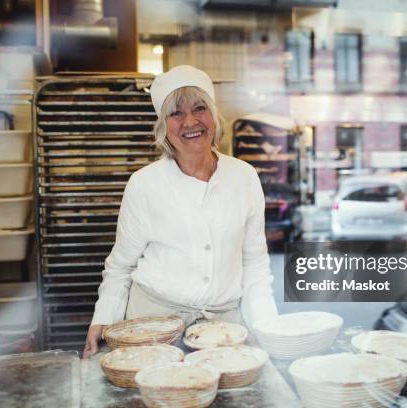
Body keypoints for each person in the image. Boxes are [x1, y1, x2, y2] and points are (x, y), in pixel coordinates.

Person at [83, 65, 279, 358]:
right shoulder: (144, 184)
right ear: (163, 126)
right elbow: (121, 266)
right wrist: (104, 317)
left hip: (223, 329)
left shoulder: (244, 177)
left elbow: (255, 263)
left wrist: (266, 325)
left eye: (200, 108)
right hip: (152, 327)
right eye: (176, 113)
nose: (191, 121)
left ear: (213, 116)